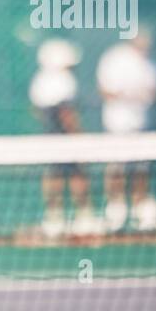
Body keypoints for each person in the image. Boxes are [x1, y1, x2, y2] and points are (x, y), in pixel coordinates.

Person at [28, 38, 101, 237]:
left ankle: (54, 217)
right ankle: (84, 217)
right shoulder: (64, 80)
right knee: (77, 174)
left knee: (54, 174)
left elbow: (37, 111)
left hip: (49, 136)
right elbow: (66, 113)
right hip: (65, 137)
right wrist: (79, 137)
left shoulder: (39, 80)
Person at [97, 30, 156, 231]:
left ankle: (140, 208)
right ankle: (116, 209)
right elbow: (105, 91)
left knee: (141, 168)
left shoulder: (154, 66)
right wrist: (127, 96)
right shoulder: (115, 59)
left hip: (143, 125)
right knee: (116, 167)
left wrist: (146, 96)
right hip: (117, 125)